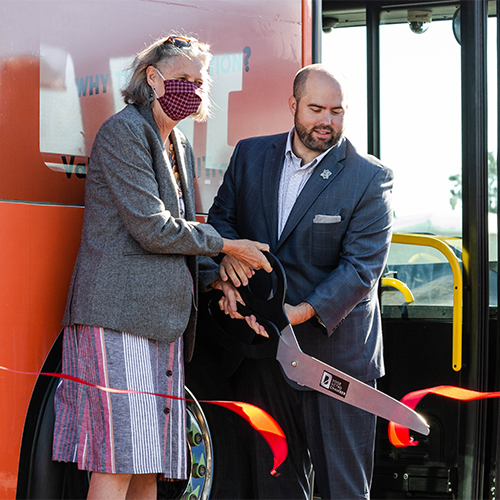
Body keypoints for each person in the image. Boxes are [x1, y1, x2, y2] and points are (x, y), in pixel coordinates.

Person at [51, 34, 270, 500]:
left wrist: (216, 282)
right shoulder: (123, 133)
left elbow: (181, 235)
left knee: (149, 467)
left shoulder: (179, 146)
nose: (192, 88)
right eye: (181, 78)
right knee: (116, 462)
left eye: (199, 79)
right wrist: (227, 245)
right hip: (118, 321)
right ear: (152, 78)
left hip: (161, 328)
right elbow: (153, 227)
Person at [208, 64, 394, 500]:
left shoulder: (370, 177)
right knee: (274, 487)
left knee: (343, 489)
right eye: (315, 109)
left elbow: (361, 269)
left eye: (337, 111)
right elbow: (221, 225)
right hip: (262, 354)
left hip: (337, 359)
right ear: (292, 105)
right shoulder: (250, 155)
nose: (326, 121)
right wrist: (225, 277)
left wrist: (297, 313)